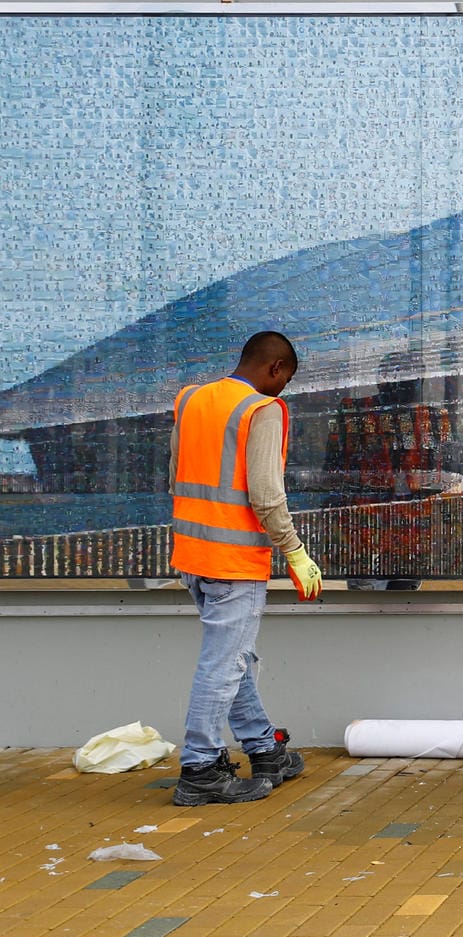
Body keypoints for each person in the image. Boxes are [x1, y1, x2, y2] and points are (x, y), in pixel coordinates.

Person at [167, 331, 319, 806]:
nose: (283, 390)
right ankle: (200, 768)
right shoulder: (261, 410)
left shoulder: (191, 399)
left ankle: (262, 748)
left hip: (192, 553)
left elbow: (175, 471)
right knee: (225, 663)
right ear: (275, 369)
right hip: (233, 560)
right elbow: (266, 493)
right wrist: (293, 550)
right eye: (286, 380)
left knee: (234, 660)